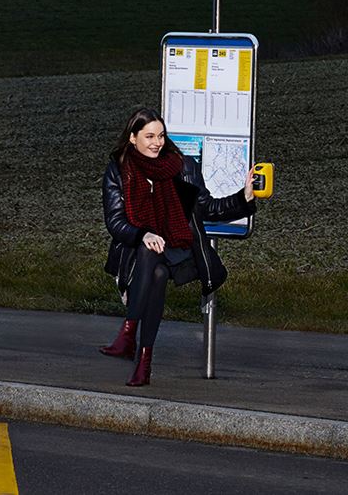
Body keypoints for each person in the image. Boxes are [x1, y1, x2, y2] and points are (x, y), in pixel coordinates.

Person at [99, 106, 256, 386]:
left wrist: (243, 197)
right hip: (135, 248)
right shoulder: (119, 169)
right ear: (133, 138)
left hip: (176, 246)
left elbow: (207, 208)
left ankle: (128, 333)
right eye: (149, 136)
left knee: (156, 257)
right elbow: (115, 221)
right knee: (155, 270)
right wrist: (142, 234)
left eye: (161, 135)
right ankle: (143, 362)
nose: (157, 142)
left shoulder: (181, 167)